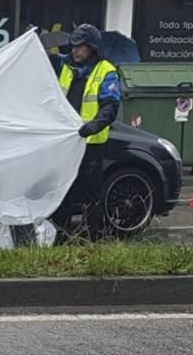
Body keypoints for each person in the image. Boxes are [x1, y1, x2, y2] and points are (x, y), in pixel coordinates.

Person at [53, 24, 120, 238]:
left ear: (92, 47)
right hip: (67, 143)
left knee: (91, 195)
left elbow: (110, 106)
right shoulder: (67, 67)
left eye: (80, 47)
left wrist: (95, 124)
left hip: (91, 144)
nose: (75, 51)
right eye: (73, 47)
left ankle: (92, 238)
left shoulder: (106, 71)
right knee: (63, 191)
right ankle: (60, 236)